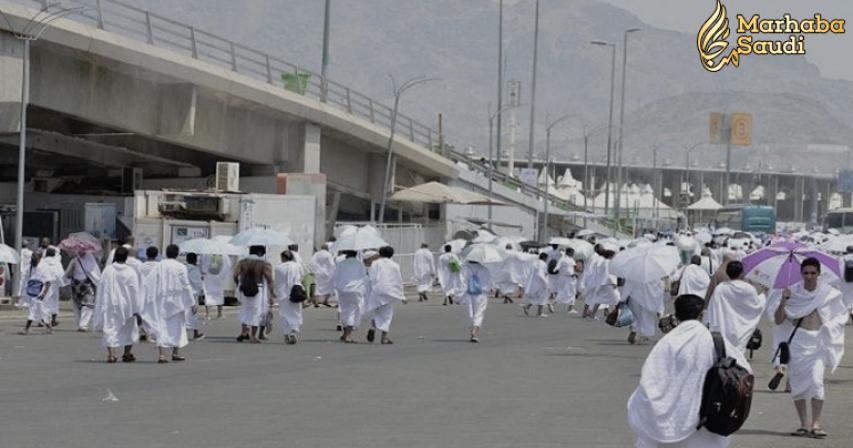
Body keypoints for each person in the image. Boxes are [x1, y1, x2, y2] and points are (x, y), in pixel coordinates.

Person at [627, 294, 750, 448]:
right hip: (707, 418)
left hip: (669, 423)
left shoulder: (668, 342)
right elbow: (743, 371)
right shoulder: (716, 341)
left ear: (676, 315)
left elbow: (651, 378)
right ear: (702, 315)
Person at [773, 257, 847, 439]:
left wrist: (829, 326)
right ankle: (803, 424)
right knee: (797, 385)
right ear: (801, 273)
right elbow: (778, 320)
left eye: (813, 273)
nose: (809, 276)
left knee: (816, 382)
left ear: (819, 274)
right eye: (806, 273)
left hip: (818, 342)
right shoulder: (792, 293)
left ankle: (816, 423)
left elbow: (841, 316)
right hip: (798, 342)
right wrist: (783, 301)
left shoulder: (828, 293)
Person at [139, 244, 197, 363]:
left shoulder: (160, 265)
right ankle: (175, 353)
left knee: (162, 326)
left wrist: (148, 298)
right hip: (177, 301)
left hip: (162, 301)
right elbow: (186, 285)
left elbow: (149, 282)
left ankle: (162, 355)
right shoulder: (181, 266)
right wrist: (192, 302)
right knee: (178, 327)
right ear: (177, 254)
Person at [92, 247, 141, 363]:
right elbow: (135, 291)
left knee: (110, 327)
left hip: (110, 304)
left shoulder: (108, 270)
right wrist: (136, 309)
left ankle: (111, 354)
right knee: (129, 328)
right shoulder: (130, 271)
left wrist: (100, 303)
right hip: (127, 305)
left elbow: (102, 288)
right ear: (126, 258)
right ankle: (127, 353)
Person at [706, 260, 767, 353]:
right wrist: (763, 295)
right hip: (741, 329)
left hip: (723, 326)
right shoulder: (748, 289)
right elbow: (756, 306)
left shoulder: (720, 288)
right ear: (741, 273)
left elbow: (713, 308)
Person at [233, 245, 274, 343]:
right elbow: (269, 279)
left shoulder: (242, 262)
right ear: (260, 253)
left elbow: (235, 275)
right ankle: (253, 336)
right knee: (256, 311)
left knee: (245, 310)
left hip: (244, 288)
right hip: (257, 288)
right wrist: (271, 293)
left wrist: (238, 284)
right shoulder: (263, 263)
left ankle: (243, 332)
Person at [364, 246, 405, 344]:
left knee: (375, 311)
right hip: (388, 292)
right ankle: (384, 337)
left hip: (376, 290)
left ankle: (373, 328)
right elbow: (398, 281)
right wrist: (401, 295)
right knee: (387, 315)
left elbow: (372, 277)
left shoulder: (375, 264)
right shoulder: (395, 265)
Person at [333, 250, 367, 343]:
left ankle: (345, 333)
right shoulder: (360, 264)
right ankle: (348, 335)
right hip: (356, 290)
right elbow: (364, 277)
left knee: (344, 310)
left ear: (347, 254)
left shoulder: (341, 264)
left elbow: (335, 276)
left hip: (343, 290)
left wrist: (336, 287)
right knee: (352, 311)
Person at [19, 253, 57, 334]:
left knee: (36, 309)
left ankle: (26, 328)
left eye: (34, 258)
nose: (33, 259)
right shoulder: (29, 267)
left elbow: (48, 282)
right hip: (32, 291)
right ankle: (49, 327)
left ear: (40, 258)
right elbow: (25, 279)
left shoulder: (44, 268)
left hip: (42, 291)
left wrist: (43, 294)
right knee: (40, 310)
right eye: (32, 257)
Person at [64, 251, 102, 332]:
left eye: (83, 251)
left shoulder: (92, 261)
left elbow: (96, 275)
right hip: (76, 286)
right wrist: (72, 268)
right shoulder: (74, 261)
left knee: (88, 305)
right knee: (77, 305)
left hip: (87, 286)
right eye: (79, 251)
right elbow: (67, 275)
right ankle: (79, 324)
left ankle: (83, 325)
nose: (81, 253)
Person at [623, 277, 665, 345]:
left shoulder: (634, 272)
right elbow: (660, 287)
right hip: (649, 299)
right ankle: (644, 336)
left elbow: (628, 285)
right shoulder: (655, 273)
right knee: (647, 318)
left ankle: (633, 329)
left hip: (635, 298)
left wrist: (623, 298)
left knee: (635, 316)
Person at [275, 250, 305, 344]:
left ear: (283, 257)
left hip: (282, 294)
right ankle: (293, 331)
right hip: (295, 292)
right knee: (295, 312)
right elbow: (302, 277)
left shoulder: (278, 267)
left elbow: (277, 281)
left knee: (284, 314)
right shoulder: (297, 266)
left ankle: (286, 334)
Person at [460, 258, 492, 342]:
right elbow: (488, 282)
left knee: (470, 312)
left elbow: (461, 282)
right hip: (481, 293)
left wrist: (459, 295)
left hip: (468, 293)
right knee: (479, 312)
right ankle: (475, 331)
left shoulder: (464, 268)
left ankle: (471, 331)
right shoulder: (485, 269)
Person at [39, 247, 65, 327]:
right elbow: (60, 274)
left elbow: (39, 272)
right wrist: (61, 284)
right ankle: (53, 320)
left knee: (44, 302)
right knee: (54, 302)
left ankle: (42, 319)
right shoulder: (57, 263)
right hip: (54, 284)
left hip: (44, 283)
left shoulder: (42, 262)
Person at [202, 253, 232, 319]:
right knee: (219, 294)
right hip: (219, 277)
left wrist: (204, 272)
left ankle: (208, 314)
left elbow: (203, 264)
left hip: (209, 277)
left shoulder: (207, 253)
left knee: (208, 294)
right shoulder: (223, 253)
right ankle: (220, 314)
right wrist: (223, 275)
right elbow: (228, 265)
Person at [184, 253, 205, 341]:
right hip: (193, 295)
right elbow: (198, 284)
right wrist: (201, 292)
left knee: (184, 313)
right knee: (194, 314)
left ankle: (182, 333)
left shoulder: (183, 268)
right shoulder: (195, 270)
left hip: (184, 294)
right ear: (195, 260)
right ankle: (195, 333)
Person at [522, 253, 550, 317]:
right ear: (545, 258)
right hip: (540, 283)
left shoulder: (535, 263)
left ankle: (527, 307)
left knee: (536, 297)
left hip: (534, 283)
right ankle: (539, 313)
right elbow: (540, 274)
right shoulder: (543, 264)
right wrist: (545, 282)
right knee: (542, 298)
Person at [309, 243, 336, 308]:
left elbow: (311, 262)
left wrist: (314, 270)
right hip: (326, 273)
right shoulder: (328, 254)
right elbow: (331, 264)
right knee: (329, 286)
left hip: (318, 272)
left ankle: (316, 302)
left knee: (317, 286)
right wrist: (333, 271)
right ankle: (325, 301)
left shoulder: (317, 254)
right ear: (327, 248)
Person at [554, 247, 578, 313]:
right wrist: (573, 274)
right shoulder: (565, 259)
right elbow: (568, 270)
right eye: (573, 252)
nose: (573, 254)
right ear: (569, 252)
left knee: (566, 293)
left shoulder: (568, 259)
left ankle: (570, 308)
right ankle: (553, 303)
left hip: (567, 278)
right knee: (568, 293)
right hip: (568, 279)